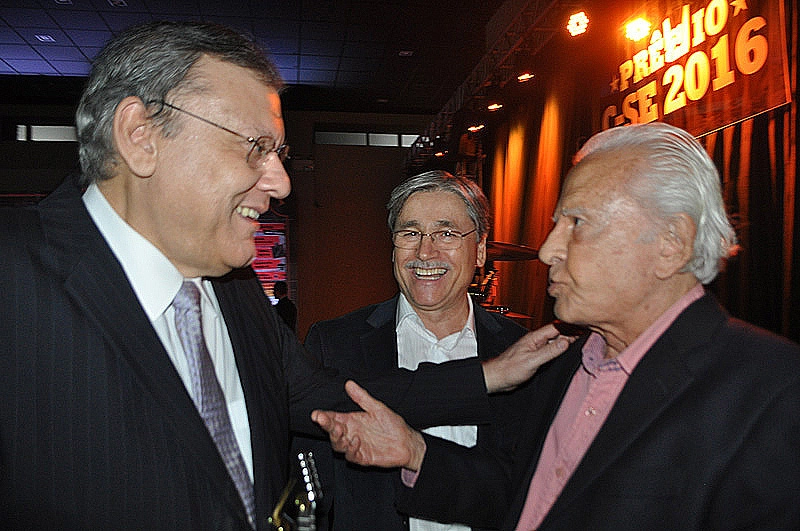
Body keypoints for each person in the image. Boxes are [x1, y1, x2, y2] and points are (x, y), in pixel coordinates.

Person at [0, 20, 570, 530]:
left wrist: (488, 376)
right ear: (141, 135)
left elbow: (327, 395)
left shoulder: (236, 291)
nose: (281, 182)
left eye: (280, 153)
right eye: (256, 147)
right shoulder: (15, 281)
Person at [312, 122, 800, 530]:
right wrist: (416, 450)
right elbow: (517, 492)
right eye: (410, 234)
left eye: (577, 223)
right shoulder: (566, 364)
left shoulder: (774, 390)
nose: (546, 252)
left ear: (671, 243)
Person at [293, 170, 529, 530]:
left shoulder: (521, 353)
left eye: (446, 233)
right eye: (410, 233)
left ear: (480, 249)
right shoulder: (334, 346)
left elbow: (534, 488)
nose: (425, 251)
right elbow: (310, 491)